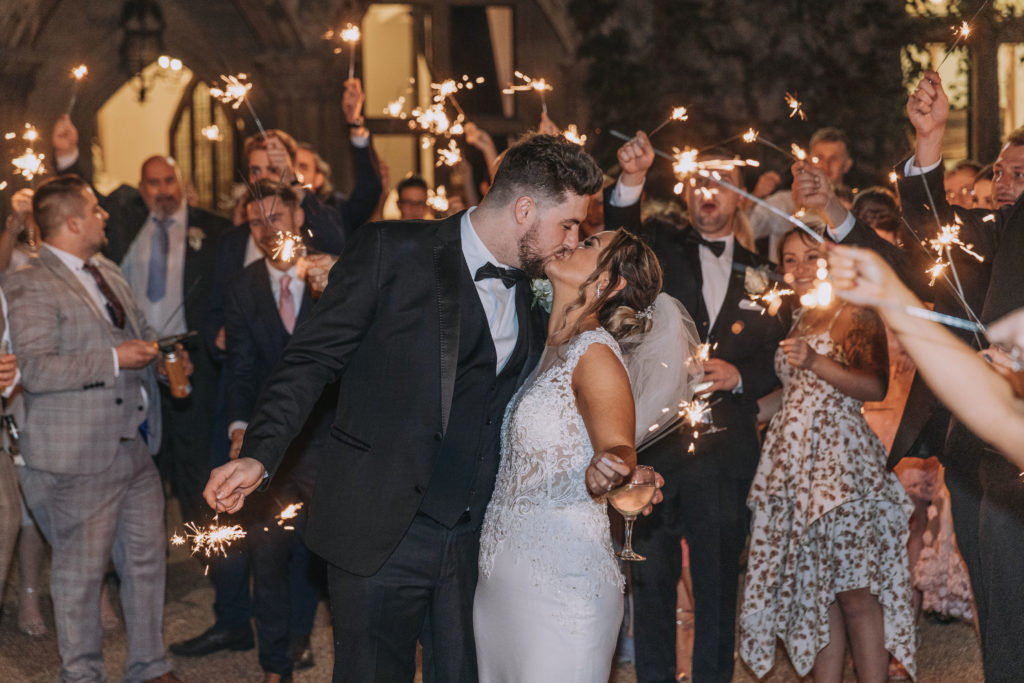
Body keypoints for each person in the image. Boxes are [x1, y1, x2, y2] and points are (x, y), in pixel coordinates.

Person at [203, 133, 605, 681]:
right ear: (525, 209)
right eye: (569, 225)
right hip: (379, 528)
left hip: (475, 540)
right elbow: (309, 362)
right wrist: (260, 454)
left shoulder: (538, 288)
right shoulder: (391, 250)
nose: (571, 241)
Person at [473, 229, 693, 681]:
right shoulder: (542, 347)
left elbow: (618, 447)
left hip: (560, 579)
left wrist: (609, 469)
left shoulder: (594, 354)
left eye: (590, 243)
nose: (572, 241)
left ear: (610, 284)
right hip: (501, 575)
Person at [6, 174, 183, 683]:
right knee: (79, 578)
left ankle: (149, 665)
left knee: (148, 564)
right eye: (95, 209)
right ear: (73, 221)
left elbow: (140, 332)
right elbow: (34, 369)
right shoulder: (27, 283)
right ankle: (81, 673)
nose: (106, 215)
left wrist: (166, 355)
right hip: (77, 455)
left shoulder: (105, 268)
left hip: (134, 445)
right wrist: (112, 358)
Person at [738, 228, 915, 683]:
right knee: (818, 592)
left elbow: (874, 386)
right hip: (795, 467)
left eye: (810, 257)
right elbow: (791, 397)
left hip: (841, 467)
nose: (798, 269)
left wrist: (815, 362)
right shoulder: (798, 319)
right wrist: (731, 411)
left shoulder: (853, 311)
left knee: (856, 591)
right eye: (790, 260)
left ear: (830, 260)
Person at [899, 69, 1024, 680]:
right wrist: (931, 138)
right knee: (1001, 616)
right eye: (1000, 174)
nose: (1005, 187)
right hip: (987, 458)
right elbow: (930, 226)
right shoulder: (998, 235)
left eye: (1019, 176)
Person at [224, 181, 333, 682]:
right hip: (269, 442)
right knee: (267, 549)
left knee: (317, 546)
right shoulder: (245, 285)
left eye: (276, 216)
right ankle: (274, 664)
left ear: (296, 214)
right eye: (255, 221)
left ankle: (299, 635)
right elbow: (242, 368)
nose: (268, 230)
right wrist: (242, 428)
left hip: (326, 436)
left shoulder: (328, 272)